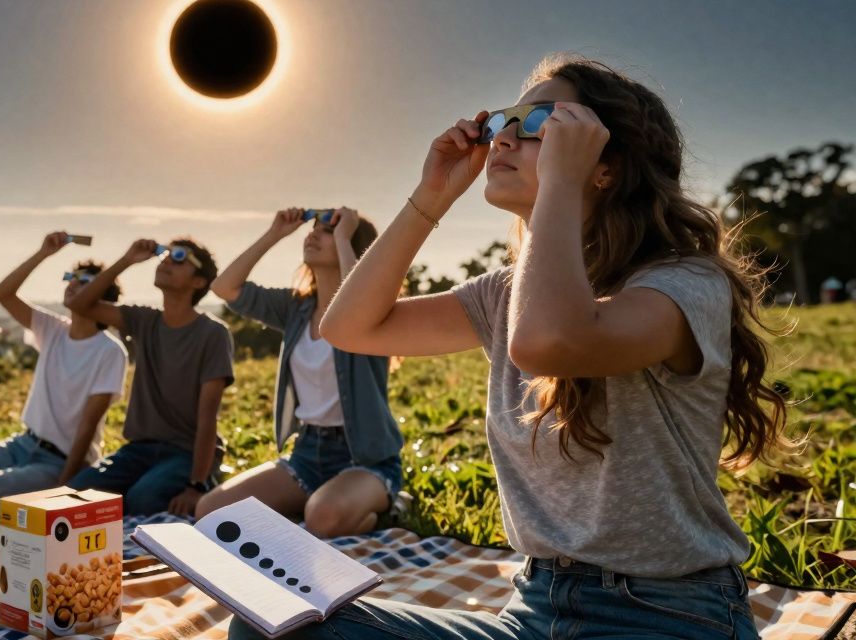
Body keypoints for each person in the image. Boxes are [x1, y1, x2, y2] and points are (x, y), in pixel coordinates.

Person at [231, 55, 789, 639]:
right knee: (274, 623)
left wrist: (562, 187)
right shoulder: (505, 292)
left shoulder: (684, 283)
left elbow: (550, 341)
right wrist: (432, 195)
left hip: (664, 612)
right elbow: (349, 328)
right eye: (502, 120)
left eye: (537, 121)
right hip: (536, 608)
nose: (502, 137)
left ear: (606, 163)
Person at [196, 207, 402, 538]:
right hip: (307, 453)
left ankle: (381, 503)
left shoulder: (372, 312)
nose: (314, 234)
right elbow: (225, 287)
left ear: (351, 242)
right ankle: (316, 502)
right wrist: (276, 232)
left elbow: (357, 304)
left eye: (328, 229)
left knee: (322, 518)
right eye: (315, 228)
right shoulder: (295, 308)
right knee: (210, 511)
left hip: (363, 457)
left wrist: (344, 235)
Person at [0, 231, 127, 504]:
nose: (73, 285)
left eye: (85, 282)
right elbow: (3, 293)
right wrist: (44, 253)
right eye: (70, 279)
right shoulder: (52, 329)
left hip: (62, 461)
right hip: (22, 444)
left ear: (104, 294)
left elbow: (88, 425)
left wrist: (65, 484)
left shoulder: (110, 352)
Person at [65, 237, 234, 517]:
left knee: (143, 500)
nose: (167, 260)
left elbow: (208, 417)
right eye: (165, 254)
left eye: (180, 257)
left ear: (199, 282)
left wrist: (196, 484)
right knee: (75, 496)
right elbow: (79, 304)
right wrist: (127, 259)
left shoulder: (213, 334)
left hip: (186, 452)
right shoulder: (145, 321)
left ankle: (209, 482)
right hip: (138, 450)